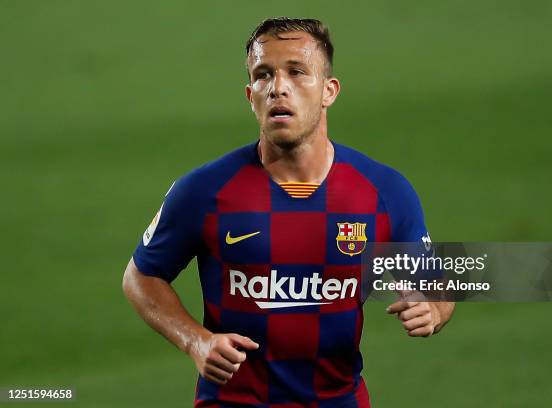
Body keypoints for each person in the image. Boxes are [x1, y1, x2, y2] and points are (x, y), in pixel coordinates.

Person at [122, 17, 455, 408]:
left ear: (329, 91)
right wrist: (196, 340)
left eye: (296, 72)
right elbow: (140, 276)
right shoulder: (204, 191)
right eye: (263, 75)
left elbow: (437, 288)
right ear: (250, 95)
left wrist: (432, 309)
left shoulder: (384, 191)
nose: (278, 87)